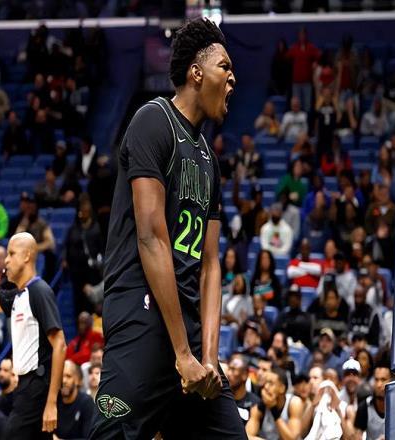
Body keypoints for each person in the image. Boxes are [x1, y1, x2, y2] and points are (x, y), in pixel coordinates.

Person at [90, 18, 246, 439]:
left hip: (188, 334)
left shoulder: (209, 159)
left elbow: (210, 265)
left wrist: (207, 358)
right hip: (142, 318)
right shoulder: (153, 121)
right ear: (196, 73)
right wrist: (182, 353)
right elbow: (151, 237)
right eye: (224, 67)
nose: (233, 78)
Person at [0, 229, 66, 438]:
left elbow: (60, 345)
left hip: (37, 386)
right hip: (26, 385)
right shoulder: (19, 296)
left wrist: (51, 403)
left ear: (27, 255)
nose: (6, 261)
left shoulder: (39, 291)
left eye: (11, 254)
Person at [246, 367, 304, 440]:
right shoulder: (258, 408)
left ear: (282, 388)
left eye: (271, 383)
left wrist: (274, 410)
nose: (266, 387)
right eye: (265, 383)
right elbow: (247, 437)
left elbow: (292, 439)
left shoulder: (294, 403)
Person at [56, 360, 95, 439]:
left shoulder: (86, 402)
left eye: (68, 376)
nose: (64, 381)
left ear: (78, 380)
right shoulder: (54, 402)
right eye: (61, 376)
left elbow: (88, 438)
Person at [354, 362, 392, 440]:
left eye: (383, 380)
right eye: (376, 379)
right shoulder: (364, 406)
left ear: (391, 381)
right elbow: (357, 437)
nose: (379, 384)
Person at [273, 285, 312, 349]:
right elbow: (276, 330)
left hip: (301, 349)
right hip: (284, 348)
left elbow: (305, 329)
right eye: (291, 297)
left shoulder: (306, 316)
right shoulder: (283, 315)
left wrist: (287, 324)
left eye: (295, 297)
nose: (292, 299)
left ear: (300, 299)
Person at [227, 355, 260, 425]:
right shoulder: (222, 398)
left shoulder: (255, 403)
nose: (228, 373)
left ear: (244, 375)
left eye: (233, 370)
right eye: (229, 369)